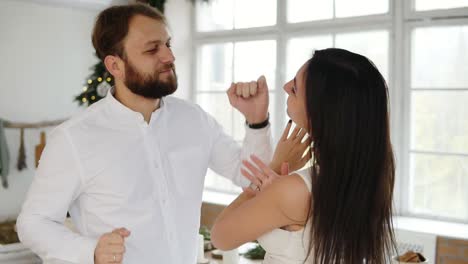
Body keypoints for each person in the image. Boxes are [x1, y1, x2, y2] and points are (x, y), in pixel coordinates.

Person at [17, 3, 275, 264]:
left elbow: (253, 179)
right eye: (152, 49)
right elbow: (33, 223)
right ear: (115, 66)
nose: (169, 57)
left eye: (168, 44)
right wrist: (90, 250)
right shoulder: (73, 138)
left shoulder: (194, 120)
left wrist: (257, 122)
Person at [211, 48, 397, 264]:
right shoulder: (372, 173)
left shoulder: (295, 190)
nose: (285, 86)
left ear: (321, 109)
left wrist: (276, 164)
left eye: (296, 88)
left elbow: (220, 237)